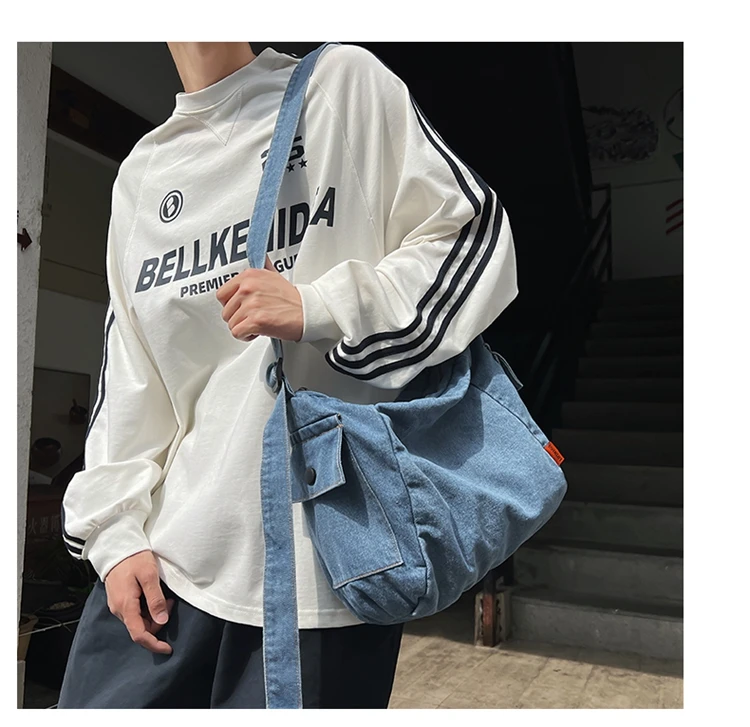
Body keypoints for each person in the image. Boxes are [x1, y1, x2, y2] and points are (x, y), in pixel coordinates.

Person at [57, 41, 518, 709]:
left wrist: (319, 305)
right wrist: (113, 533)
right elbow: (133, 377)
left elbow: (471, 241)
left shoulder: (339, 87)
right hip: (162, 570)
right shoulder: (143, 172)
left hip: (321, 576)